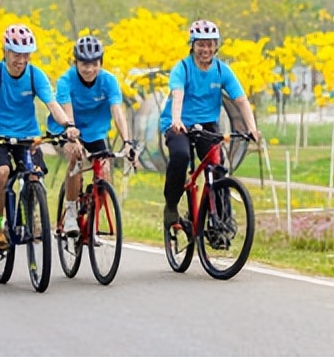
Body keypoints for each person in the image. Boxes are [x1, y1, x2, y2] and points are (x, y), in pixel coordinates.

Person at [0, 23, 78, 251]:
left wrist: (67, 125)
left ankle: (31, 213)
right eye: (16, 54)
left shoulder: (35, 75)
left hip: (26, 136)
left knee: (34, 173)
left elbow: (52, 104)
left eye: (26, 54)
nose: (21, 60)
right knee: (2, 172)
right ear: (5, 51)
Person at [160, 19, 261, 228]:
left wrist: (252, 127)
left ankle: (222, 224)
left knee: (217, 168)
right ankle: (171, 205)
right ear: (192, 45)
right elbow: (177, 95)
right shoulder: (182, 68)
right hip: (178, 123)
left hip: (207, 124)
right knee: (181, 156)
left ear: (216, 46)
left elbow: (241, 100)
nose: (205, 49)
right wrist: (177, 120)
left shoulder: (222, 71)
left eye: (210, 44)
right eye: (201, 44)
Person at [47, 34, 137, 237]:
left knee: (104, 171)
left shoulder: (109, 81)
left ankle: (92, 220)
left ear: (100, 63)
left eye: (94, 64)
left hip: (95, 131)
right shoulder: (66, 81)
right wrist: (73, 138)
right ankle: (71, 213)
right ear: (76, 63)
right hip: (67, 127)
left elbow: (117, 112)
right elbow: (67, 115)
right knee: (76, 157)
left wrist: (127, 142)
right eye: (84, 64)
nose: (89, 69)